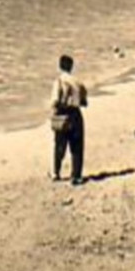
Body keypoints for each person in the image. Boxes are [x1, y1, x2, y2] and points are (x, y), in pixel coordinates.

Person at [48, 54, 88, 185]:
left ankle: (56, 173)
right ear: (72, 66)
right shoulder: (78, 82)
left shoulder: (59, 81)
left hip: (63, 113)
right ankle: (76, 175)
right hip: (76, 114)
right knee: (77, 146)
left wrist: (53, 112)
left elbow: (55, 100)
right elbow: (84, 102)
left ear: (60, 66)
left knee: (60, 145)